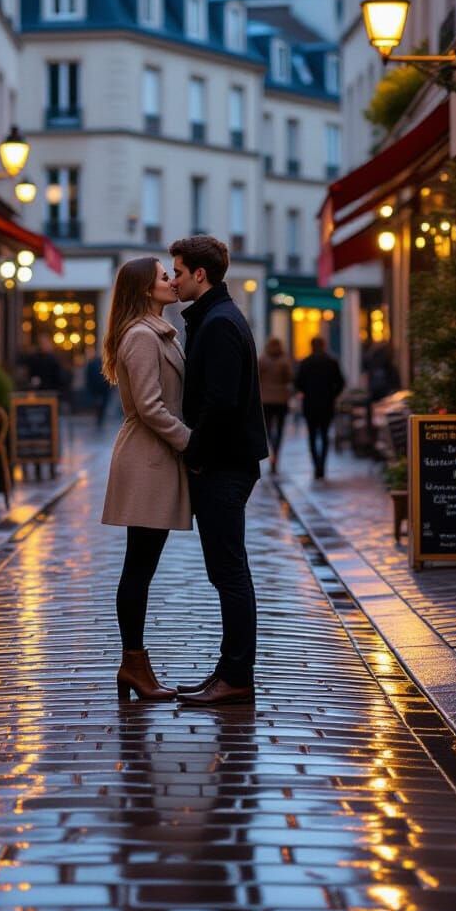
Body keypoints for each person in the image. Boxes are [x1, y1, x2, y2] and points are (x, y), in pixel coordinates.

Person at [170, 235, 268, 706]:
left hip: (224, 464)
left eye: (179, 272)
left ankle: (236, 676)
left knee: (229, 572)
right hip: (226, 461)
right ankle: (228, 670)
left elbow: (221, 402)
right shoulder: (214, 317)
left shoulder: (219, 323)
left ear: (200, 275)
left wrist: (195, 453)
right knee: (226, 571)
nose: (174, 279)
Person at [101, 257, 192, 701]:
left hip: (156, 456)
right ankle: (133, 664)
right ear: (143, 289)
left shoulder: (158, 331)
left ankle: (134, 664)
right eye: (163, 276)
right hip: (148, 458)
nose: (172, 281)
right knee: (138, 566)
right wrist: (189, 441)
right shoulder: (140, 336)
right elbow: (152, 406)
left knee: (142, 564)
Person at [294, 337, 346, 480]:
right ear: (324, 345)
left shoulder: (305, 362)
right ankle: (322, 465)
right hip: (327, 404)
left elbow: (298, 383)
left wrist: (306, 391)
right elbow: (341, 382)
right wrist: (333, 395)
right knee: (324, 435)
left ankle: (316, 465)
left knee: (311, 435)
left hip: (310, 404)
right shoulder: (331, 362)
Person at [258, 336, 292, 473]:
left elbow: (256, 376)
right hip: (281, 399)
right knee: (280, 428)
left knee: (269, 428)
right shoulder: (284, 360)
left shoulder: (262, 359)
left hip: (266, 399)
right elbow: (289, 377)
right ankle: (276, 452)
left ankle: (272, 449)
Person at [85, 352, 111, 425]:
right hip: (102, 387)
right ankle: (100, 418)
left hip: (97, 387)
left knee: (99, 403)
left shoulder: (92, 363)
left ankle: (99, 417)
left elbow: (88, 376)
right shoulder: (102, 364)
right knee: (102, 404)